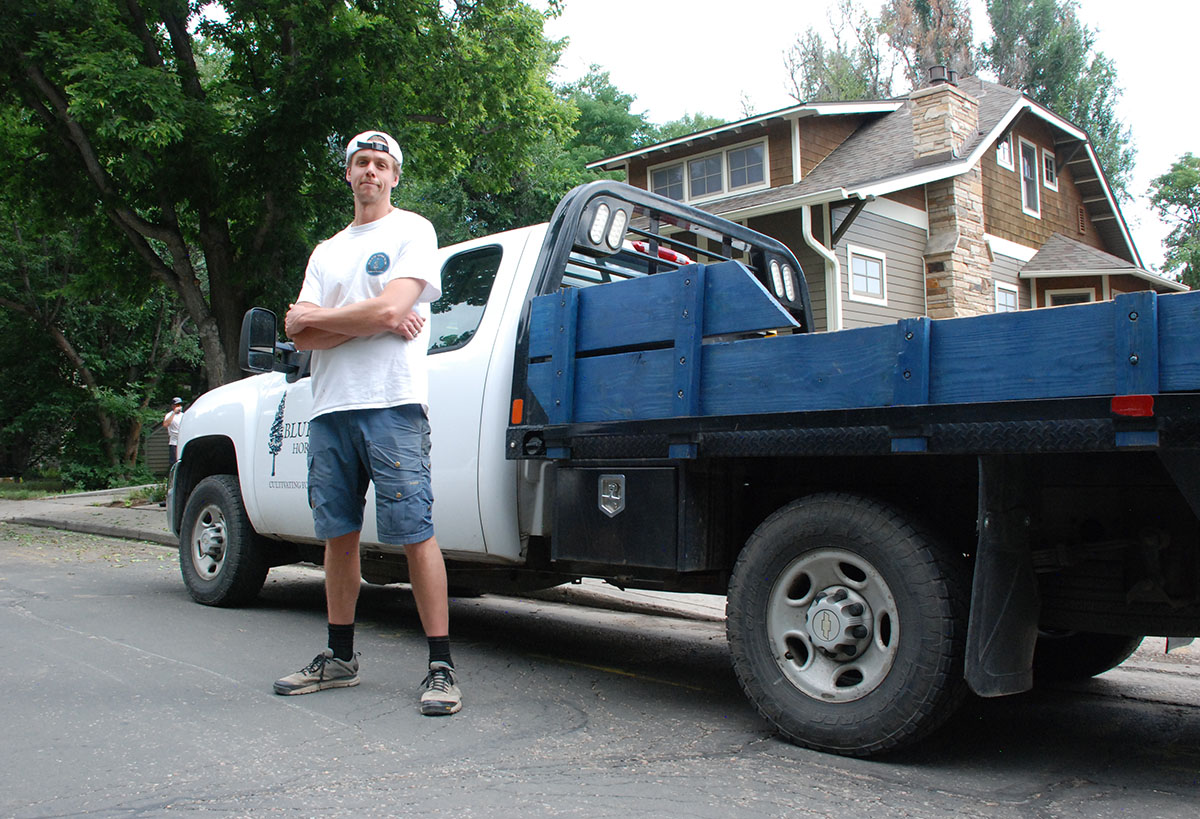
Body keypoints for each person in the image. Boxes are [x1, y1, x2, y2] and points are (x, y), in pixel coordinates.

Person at [272, 130, 460, 716]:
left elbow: (373, 311)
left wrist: (345, 319)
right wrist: (377, 320)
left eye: (381, 163)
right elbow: (296, 331)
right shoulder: (327, 251)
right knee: (339, 535)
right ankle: (340, 657)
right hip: (330, 407)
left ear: (394, 176)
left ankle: (440, 665)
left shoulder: (414, 230)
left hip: (393, 405)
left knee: (414, 532)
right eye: (361, 162)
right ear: (348, 174)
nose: (370, 172)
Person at [162, 397, 183, 467]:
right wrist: (174, 413)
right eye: (176, 405)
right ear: (173, 406)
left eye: (179, 405)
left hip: (182, 441)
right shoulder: (169, 415)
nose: (178, 407)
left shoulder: (183, 415)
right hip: (174, 442)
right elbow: (165, 424)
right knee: (173, 462)